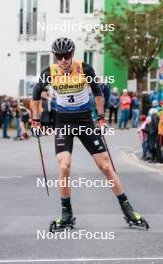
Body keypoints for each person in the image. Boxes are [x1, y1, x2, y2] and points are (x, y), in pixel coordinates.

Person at [31, 37, 148, 228]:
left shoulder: (85, 69)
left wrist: (101, 118)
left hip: (85, 119)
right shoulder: (49, 73)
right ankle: (66, 214)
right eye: (59, 56)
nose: (63, 59)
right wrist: (35, 120)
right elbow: (35, 95)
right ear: (55, 57)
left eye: (66, 55)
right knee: (63, 167)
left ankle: (128, 210)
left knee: (106, 167)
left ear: (72, 54)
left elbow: (98, 93)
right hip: (62, 121)